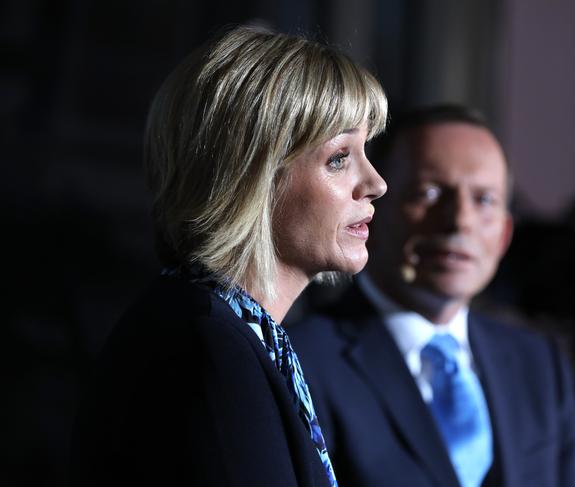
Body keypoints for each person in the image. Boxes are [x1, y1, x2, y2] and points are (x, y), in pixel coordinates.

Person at [69, 25, 387, 487]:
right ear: (254, 177)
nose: (376, 183)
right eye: (339, 157)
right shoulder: (209, 352)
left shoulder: (228, 332)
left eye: (366, 151)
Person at [290, 104, 575, 487]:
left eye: (484, 199)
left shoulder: (538, 364)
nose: (459, 221)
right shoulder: (301, 362)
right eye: (430, 192)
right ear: (372, 213)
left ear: (504, 235)